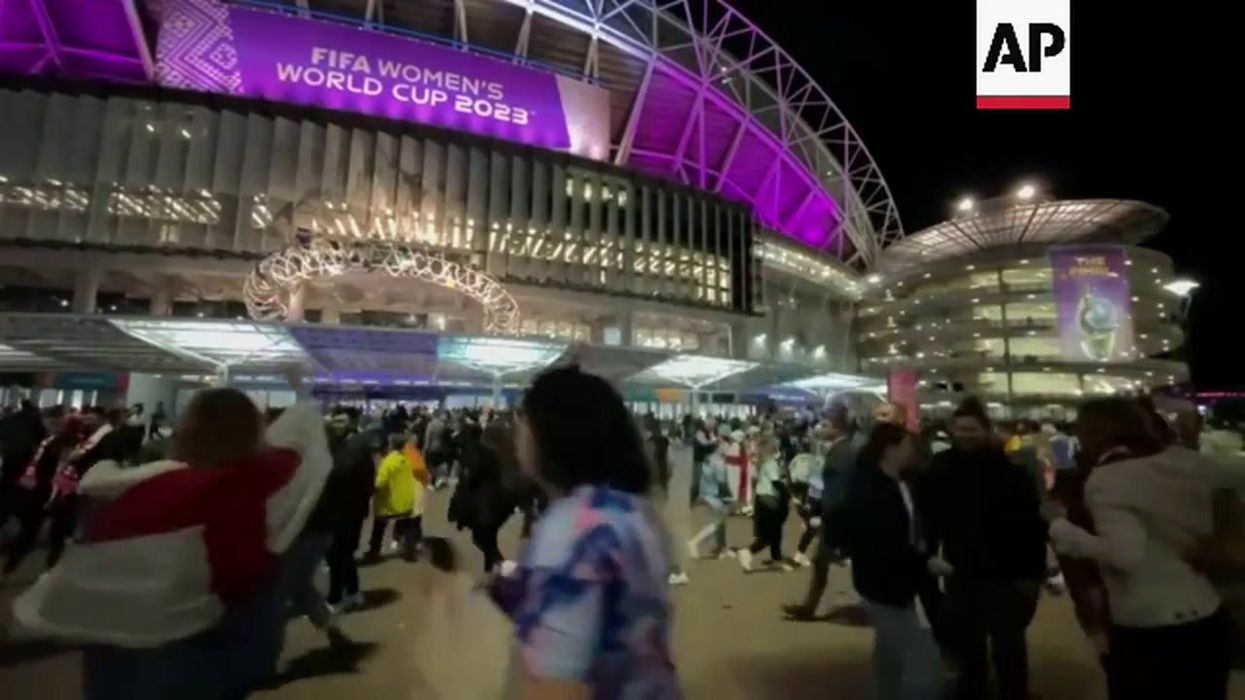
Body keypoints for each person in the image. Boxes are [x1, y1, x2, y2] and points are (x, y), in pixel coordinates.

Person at [13, 370, 331, 699]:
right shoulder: (240, 491)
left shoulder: (133, 490)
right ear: (253, 437)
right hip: (189, 661)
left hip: (114, 656)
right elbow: (245, 596)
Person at [489, 366, 680, 698]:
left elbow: (556, 686)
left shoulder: (573, 528)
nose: (516, 429)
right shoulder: (633, 509)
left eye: (523, 416)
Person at [1048, 398, 1244, 700]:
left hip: (1148, 625)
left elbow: (1126, 555)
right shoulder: (1186, 462)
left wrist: (1061, 528)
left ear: (1093, 433)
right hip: (1206, 614)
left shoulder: (1107, 479)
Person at [920, 399, 1047, 700]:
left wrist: (1035, 570)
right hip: (961, 567)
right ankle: (975, 689)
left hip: (1007, 569)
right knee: (969, 641)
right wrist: (929, 552)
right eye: (960, 429)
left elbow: (1030, 523)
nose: (965, 435)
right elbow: (931, 515)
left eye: (972, 429)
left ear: (986, 430)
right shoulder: (941, 468)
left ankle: (1011, 692)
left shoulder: (1011, 470)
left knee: (1008, 642)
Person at [842, 422, 946, 700]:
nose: (913, 452)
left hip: (892, 582)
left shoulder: (897, 483)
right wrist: (924, 561)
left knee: (889, 655)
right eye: (908, 446)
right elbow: (884, 543)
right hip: (884, 584)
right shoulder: (874, 490)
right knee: (924, 662)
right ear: (890, 449)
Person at [784, 406, 860, 620]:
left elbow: (839, 490)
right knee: (821, 561)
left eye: (824, 424)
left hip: (837, 516)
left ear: (837, 427)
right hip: (837, 515)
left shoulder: (843, 453)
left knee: (832, 560)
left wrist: (823, 514)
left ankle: (811, 608)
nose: (819, 427)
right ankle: (809, 607)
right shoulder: (841, 450)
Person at [1, 407, 76, 581]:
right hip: (19, 489)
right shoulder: (33, 436)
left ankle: (9, 570)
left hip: (39, 494)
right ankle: (9, 569)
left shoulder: (59, 442)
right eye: (56, 422)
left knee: (32, 532)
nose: (58, 426)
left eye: (61, 423)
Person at [326, 419, 382, 610]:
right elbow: (369, 486)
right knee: (344, 553)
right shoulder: (358, 454)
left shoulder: (333, 458)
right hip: (353, 511)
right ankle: (351, 591)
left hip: (338, 513)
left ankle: (337, 597)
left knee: (337, 555)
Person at [449, 422, 512, 572]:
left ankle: (504, 568)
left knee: (481, 538)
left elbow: (471, 476)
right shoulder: (490, 450)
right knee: (490, 538)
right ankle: (490, 570)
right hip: (495, 499)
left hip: (480, 503)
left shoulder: (470, 451)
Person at [738, 435, 791, 572]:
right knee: (769, 534)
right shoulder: (770, 463)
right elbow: (776, 482)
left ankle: (776, 558)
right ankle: (748, 551)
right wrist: (789, 494)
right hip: (768, 500)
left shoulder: (765, 461)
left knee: (776, 532)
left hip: (764, 499)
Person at [366, 433, 419, 562]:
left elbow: (379, 482)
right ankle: (410, 553)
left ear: (391, 445)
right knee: (409, 527)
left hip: (388, 503)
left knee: (379, 528)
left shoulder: (388, 461)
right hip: (407, 501)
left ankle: (374, 552)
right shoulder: (409, 459)